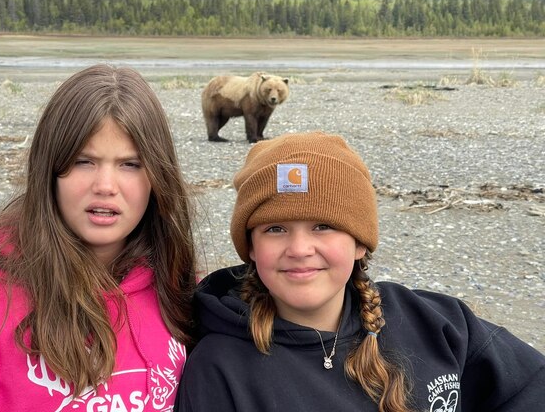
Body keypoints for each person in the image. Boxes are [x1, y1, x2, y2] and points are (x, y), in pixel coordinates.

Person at [175, 131, 545, 412]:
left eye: (323, 226)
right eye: (275, 229)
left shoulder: (439, 323)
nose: (300, 249)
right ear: (251, 249)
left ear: (360, 242)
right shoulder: (219, 369)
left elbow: (530, 386)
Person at [0, 64, 198, 411]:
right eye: (83, 161)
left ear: (158, 177)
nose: (105, 186)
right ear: (50, 170)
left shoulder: (179, 291)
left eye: (130, 164)